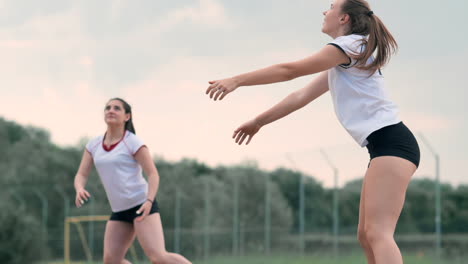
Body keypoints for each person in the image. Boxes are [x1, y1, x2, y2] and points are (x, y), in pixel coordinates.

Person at [205, 0, 420, 263]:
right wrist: (258, 122)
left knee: (378, 233)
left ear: (344, 19)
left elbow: (289, 71)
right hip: (385, 146)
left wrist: (236, 80)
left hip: (392, 143)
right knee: (366, 235)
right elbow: (300, 95)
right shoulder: (347, 57)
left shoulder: (351, 45)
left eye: (331, 7)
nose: (324, 11)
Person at [73, 98, 192, 264]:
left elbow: (153, 174)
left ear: (127, 116)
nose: (110, 110)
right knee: (111, 261)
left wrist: (149, 201)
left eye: (117, 108)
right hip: (119, 210)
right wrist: (79, 188)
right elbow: (81, 175)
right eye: (108, 108)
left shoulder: (132, 142)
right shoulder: (94, 145)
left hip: (141, 205)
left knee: (158, 257)